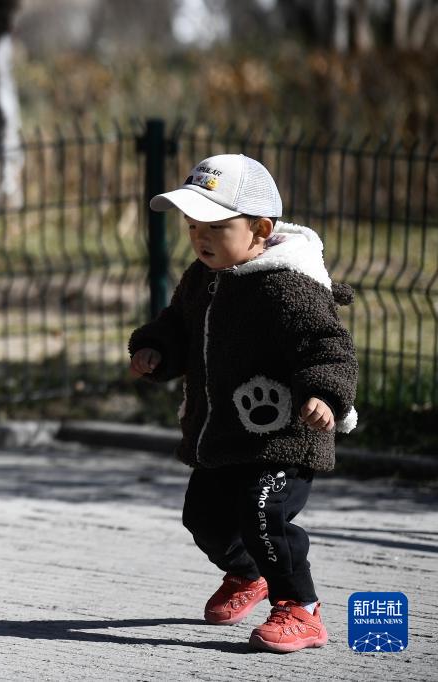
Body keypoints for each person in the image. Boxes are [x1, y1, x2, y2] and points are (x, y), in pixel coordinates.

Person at [128, 153, 358, 653]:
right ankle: (246, 574)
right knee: (203, 518)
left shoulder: (287, 285)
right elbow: (177, 326)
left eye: (216, 226)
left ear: (260, 229)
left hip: (285, 435)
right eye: (193, 226)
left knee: (262, 513)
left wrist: (325, 394)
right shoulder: (202, 278)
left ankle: (301, 608)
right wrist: (155, 350)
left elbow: (326, 346)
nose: (201, 238)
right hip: (222, 434)